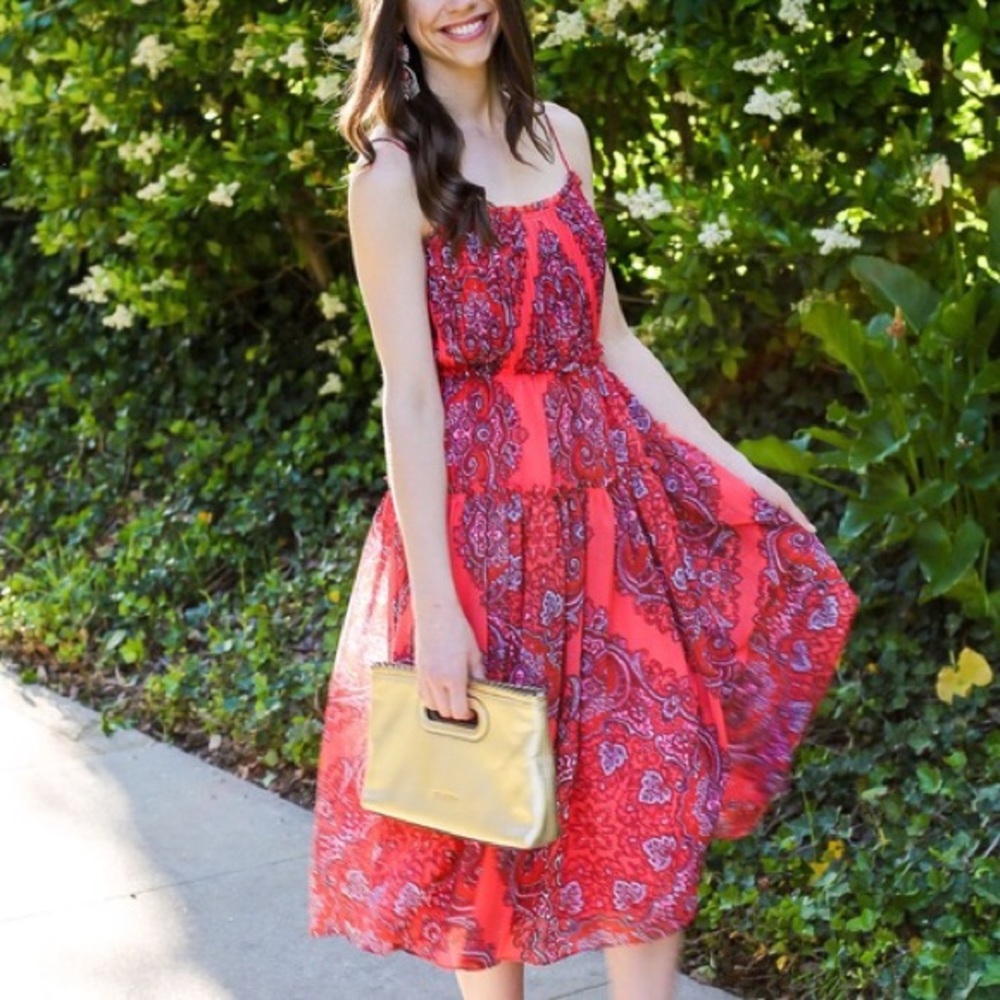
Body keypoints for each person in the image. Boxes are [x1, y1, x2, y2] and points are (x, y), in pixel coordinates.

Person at [309, 2, 859, 998]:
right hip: (476, 537)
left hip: (612, 522)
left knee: (647, 791)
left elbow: (612, 342)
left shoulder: (560, 133)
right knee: (490, 825)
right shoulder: (390, 176)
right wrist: (435, 608)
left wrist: (740, 470)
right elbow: (412, 393)